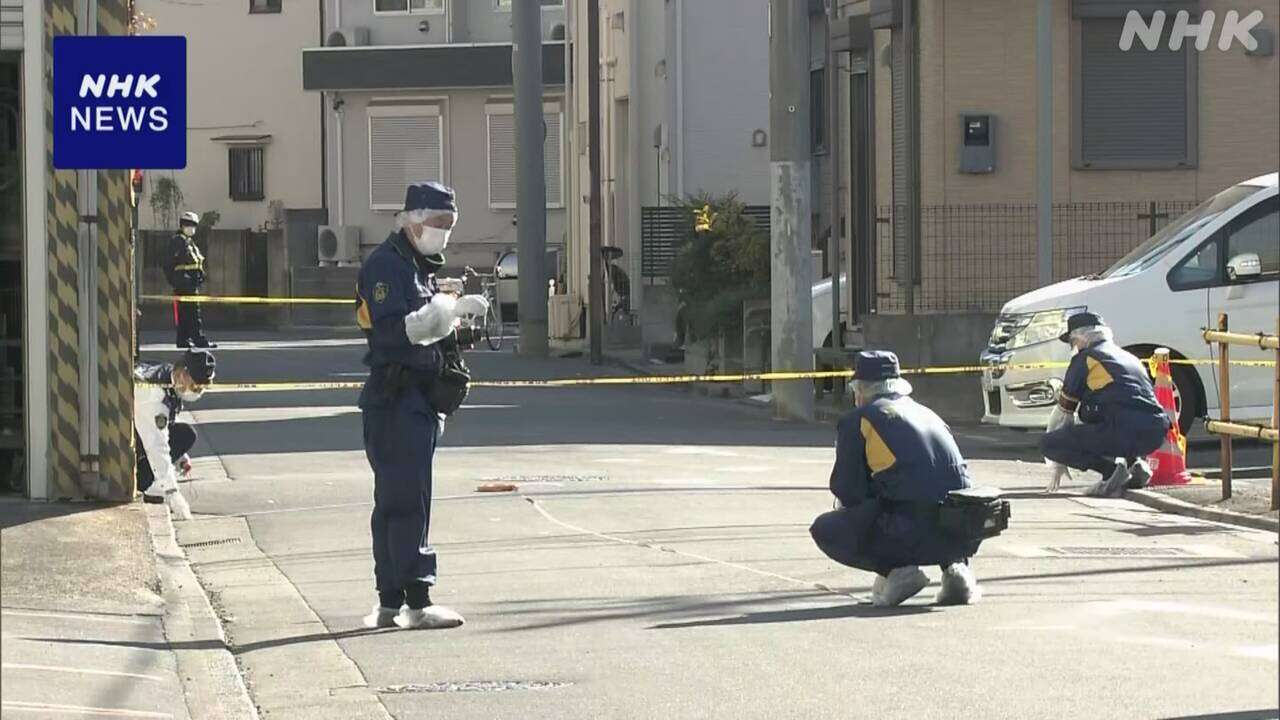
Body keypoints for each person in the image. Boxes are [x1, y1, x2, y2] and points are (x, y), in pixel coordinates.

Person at [355, 181, 489, 631]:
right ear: (412, 221)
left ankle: (391, 600)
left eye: (450, 225)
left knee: (399, 500)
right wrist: (440, 316)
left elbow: (427, 327)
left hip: (415, 399)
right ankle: (415, 599)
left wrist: (454, 322)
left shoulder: (416, 266)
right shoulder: (385, 267)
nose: (444, 232)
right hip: (397, 399)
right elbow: (393, 334)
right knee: (406, 501)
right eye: (437, 223)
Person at [810, 351, 982, 607]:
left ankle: (898, 571)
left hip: (910, 532)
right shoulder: (927, 413)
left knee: (826, 527)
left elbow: (847, 489)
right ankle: (956, 572)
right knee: (932, 492)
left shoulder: (859, 420)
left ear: (859, 389)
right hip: (962, 532)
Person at [1041, 312, 1170, 498]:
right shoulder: (1129, 357)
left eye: (1072, 341)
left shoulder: (1085, 359)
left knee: (1049, 442)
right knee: (1103, 410)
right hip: (1156, 432)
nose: (1072, 347)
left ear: (1082, 337)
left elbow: (1064, 413)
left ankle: (1110, 471)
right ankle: (1137, 464)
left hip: (1122, 430)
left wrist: (1058, 456)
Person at [134, 349, 216, 520]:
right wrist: (172, 492)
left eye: (203, 387)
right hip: (128, 454)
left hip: (139, 435)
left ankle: (156, 482)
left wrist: (179, 457)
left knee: (183, 435)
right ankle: (150, 485)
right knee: (186, 435)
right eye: (195, 386)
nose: (198, 392)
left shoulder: (168, 376)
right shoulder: (153, 393)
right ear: (182, 374)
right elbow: (157, 444)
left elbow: (168, 423)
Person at [165, 210, 215, 349]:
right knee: (193, 313)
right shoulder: (177, 242)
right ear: (182, 225)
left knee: (185, 314)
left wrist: (200, 275)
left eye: (193, 225)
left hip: (189, 283)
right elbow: (170, 264)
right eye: (189, 224)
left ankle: (183, 340)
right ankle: (199, 340)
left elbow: (194, 262)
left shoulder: (188, 242)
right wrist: (179, 281)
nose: (191, 228)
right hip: (184, 284)